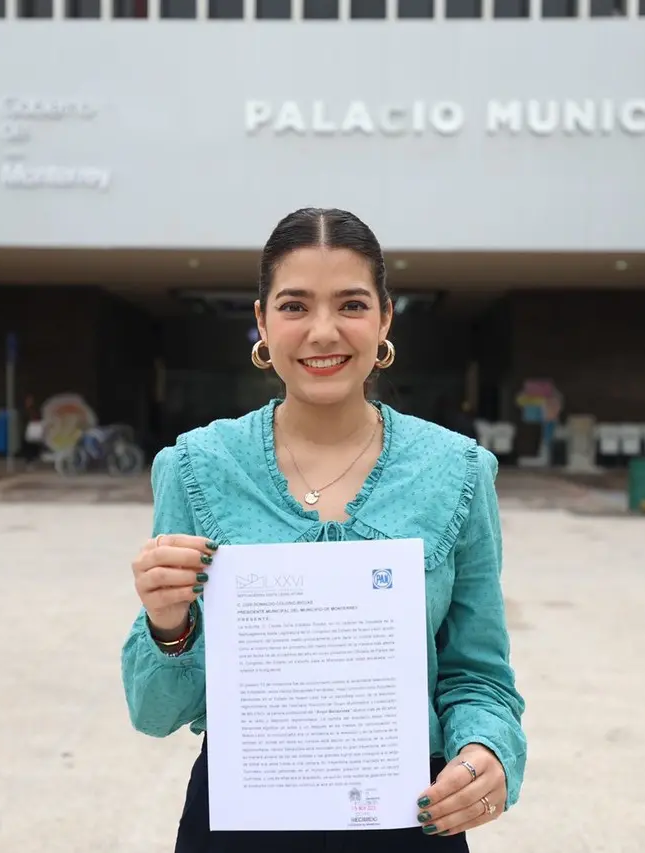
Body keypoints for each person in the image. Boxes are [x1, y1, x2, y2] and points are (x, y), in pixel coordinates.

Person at [121, 208, 527, 852]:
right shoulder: (197, 467)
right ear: (260, 321)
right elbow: (154, 713)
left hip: (406, 822)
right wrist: (168, 628)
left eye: (351, 305)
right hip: (241, 822)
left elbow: (478, 673)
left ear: (386, 318)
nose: (322, 331)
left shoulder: (457, 472)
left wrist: (488, 752)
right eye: (294, 306)